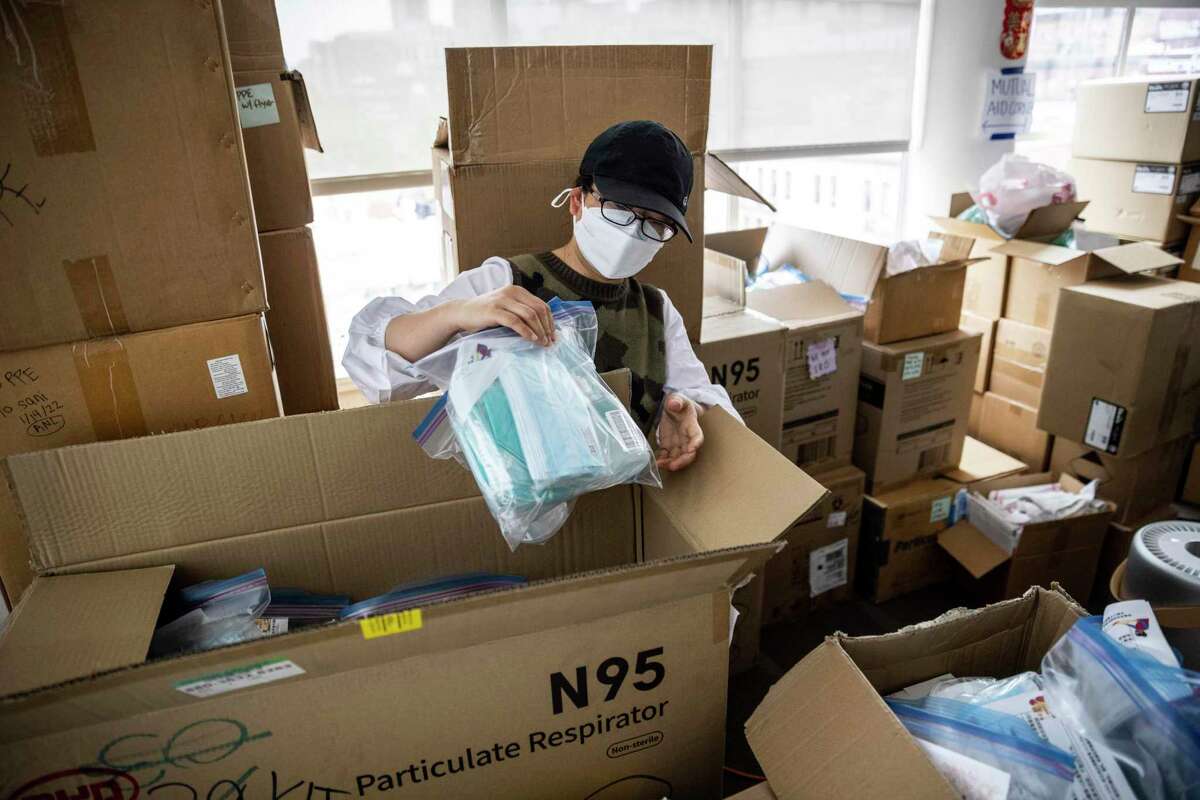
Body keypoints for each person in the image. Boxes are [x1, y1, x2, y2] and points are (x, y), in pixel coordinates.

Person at [344, 120, 737, 472]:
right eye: (620, 209)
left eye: (656, 224)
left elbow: (699, 395)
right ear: (577, 202)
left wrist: (688, 411)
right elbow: (377, 367)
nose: (634, 233)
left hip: (628, 515)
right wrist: (459, 313)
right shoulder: (505, 282)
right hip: (517, 508)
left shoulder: (655, 310)